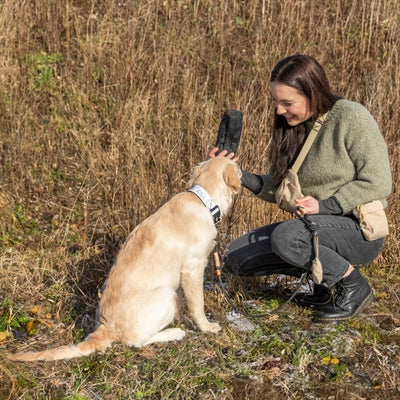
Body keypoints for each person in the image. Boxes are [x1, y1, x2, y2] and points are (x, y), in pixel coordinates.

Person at [209, 54, 392, 322]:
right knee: (236, 258)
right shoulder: (294, 128)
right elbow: (282, 188)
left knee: (287, 237)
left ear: (312, 93)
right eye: (275, 101)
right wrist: (235, 174)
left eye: (287, 103)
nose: (278, 110)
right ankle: (324, 283)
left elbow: (378, 182)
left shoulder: (352, 117)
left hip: (358, 231)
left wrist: (325, 205)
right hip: (316, 230)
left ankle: (353, 286)